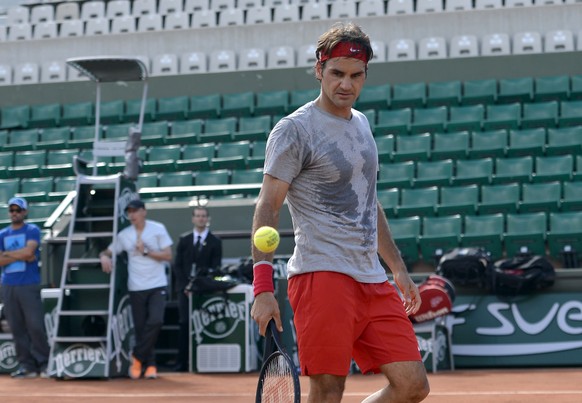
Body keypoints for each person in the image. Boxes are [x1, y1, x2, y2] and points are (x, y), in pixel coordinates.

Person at [250, 22, 430, 403]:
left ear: (365, 75)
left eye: (355, 76)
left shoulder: (361, 124)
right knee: (329, 389)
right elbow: (268, 205)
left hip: (371, 277)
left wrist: (396, 268)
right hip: (321, 275)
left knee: (413, 384)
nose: (345, 84)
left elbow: (368, 199)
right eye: (336, 74)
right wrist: (263, 288)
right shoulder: (294, 130)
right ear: (319, 70)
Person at [99, 199, 173, 380]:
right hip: (136, 286)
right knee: (140, 327)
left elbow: (168, 255)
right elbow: (108, 252)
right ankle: (150, 365)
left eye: (134, 211)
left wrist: (146, 252)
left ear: (143, 212)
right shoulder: (124, 235)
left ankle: (137, 357)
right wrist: (103, 257)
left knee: (155, 321)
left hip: (157, 285)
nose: (131, 215)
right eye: (129, 211)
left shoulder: (158, 229)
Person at [0, 197, 50, 379]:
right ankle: (26, 365)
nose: (15, 213)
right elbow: (1, 260)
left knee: (35, 325)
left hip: (28, 285)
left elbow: (30, 252)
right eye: (12, 210)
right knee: (16, 327)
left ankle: (44, 363)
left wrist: (7, 254)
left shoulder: (32, 230)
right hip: (8, 285)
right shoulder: (2, 234)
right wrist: (20, 255)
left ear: (25, 212)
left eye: (18, 210)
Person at [172, 206, 222, 372]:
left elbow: (215, 267)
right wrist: (186, 286)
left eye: (203, 216)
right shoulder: (184, 239)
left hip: (204, 291)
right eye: (198, 216)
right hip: (184, 290)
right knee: (184, 323)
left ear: (208, 219)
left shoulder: (215, 241)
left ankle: (204, 362)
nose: (200, 218)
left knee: (204, 324)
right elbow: (177, 266)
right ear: (193, 219)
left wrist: (197, 285)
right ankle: (182, 362)